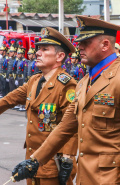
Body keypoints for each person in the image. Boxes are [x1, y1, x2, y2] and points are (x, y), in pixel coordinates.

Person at [12, 15, 120, 185]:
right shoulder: (84, 82)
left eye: (86, 42)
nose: (79, 47)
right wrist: (35, 161)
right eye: (80, 42)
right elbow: (64, 128)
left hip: (112, 179)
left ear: (105, 45)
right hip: (85, 177)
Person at [0, 27, 78, 185]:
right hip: (31, 162)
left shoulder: (66, 85)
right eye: (38, 49)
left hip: (53, 165)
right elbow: (7, 101)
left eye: (44, 49)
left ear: (60, 56)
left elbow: (73, 124)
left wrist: (68, 159)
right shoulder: (34, 81)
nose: (37, 53)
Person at [16, 47, 28, 111]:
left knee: (23, 93)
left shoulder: (25, 61)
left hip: (22, 77)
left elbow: (25, 71)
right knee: (19, 92)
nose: (17, 55)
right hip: (19, 77)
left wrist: (24, 80)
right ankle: (19, 104)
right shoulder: (18, 60)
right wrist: (16, 79)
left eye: (19, 54)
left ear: (22, 54)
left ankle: (23, 105)